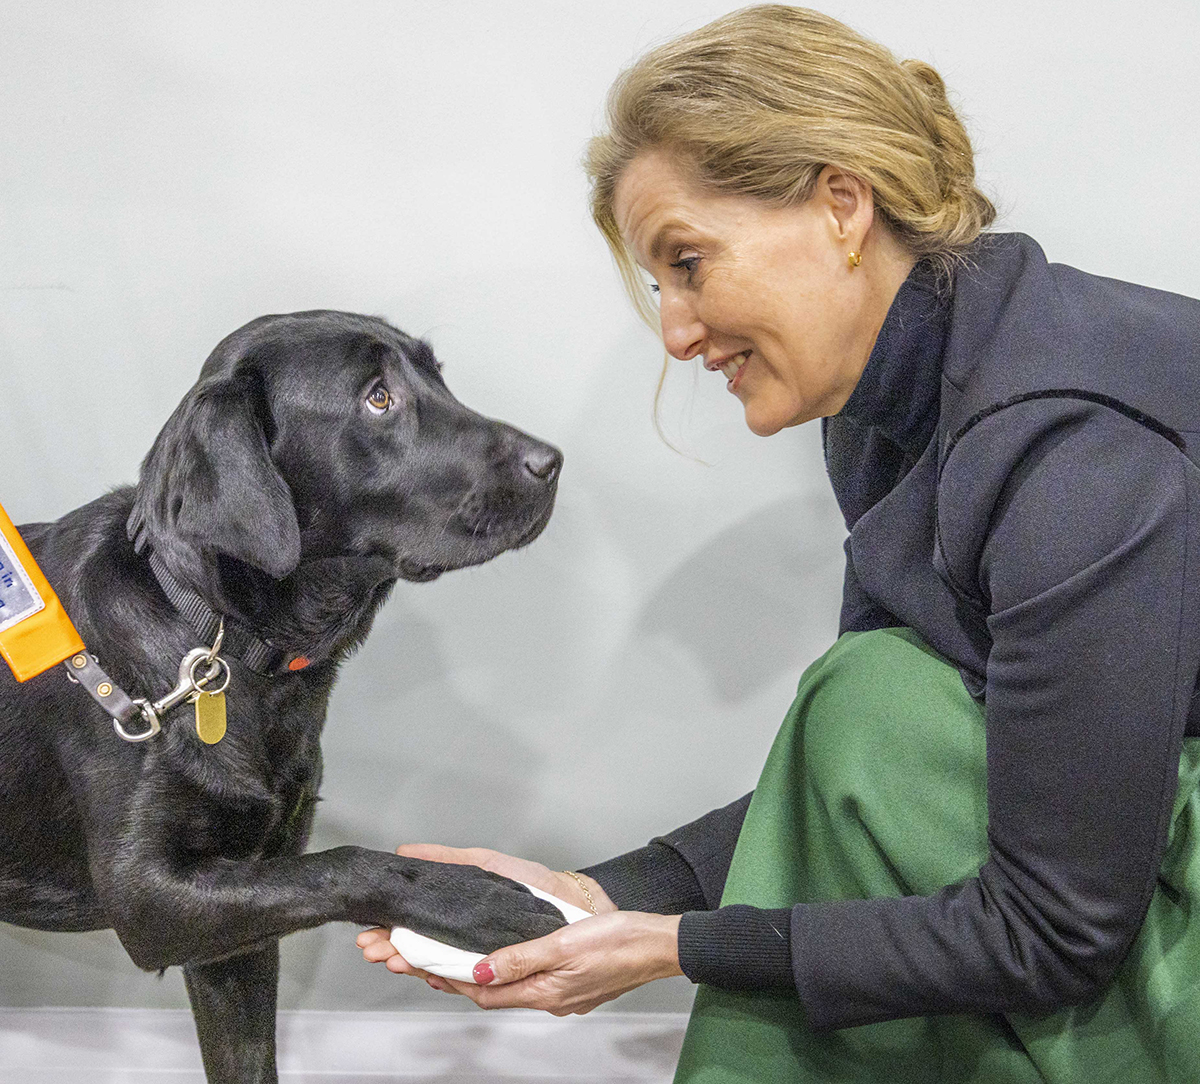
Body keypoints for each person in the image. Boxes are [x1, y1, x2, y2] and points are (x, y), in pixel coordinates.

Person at [358, 5, 1200, 1081]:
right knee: (868, 701)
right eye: (658, 284)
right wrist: (608, 896)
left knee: (866, 699)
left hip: (1132, 907)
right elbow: (848, 777)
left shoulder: (1066, 450)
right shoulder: (885, 417)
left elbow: (1058, 924)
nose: (674, 330)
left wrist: (677, 948)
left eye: (688, 261)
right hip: (1126, 871)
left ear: (841, 204)